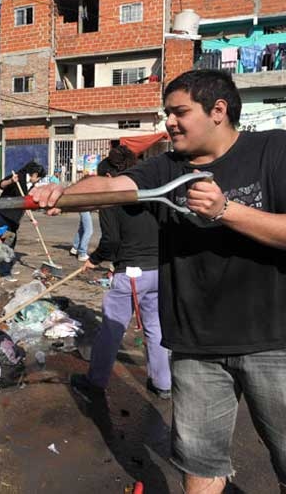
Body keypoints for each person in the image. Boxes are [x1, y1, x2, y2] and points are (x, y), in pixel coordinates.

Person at [30, 69, 286, 494]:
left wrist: (225, 210)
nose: (168, 122)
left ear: (218, 111)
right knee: (199, 463)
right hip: (197, 346)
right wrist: (65, 193)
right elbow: (116, 186)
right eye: (166, 113)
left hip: (281, 342)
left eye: (179, 112)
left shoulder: (276, 149)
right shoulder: (165, 168)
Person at [71, 146, 170, 400]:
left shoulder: (111, 199)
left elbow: (111, 241)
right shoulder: (149, 191)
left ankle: (96, 382)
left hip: (132, 274)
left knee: (112, 328)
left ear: (108, 177)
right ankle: (163, 384)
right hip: (157, 270)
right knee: (155, 326)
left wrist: (94, 260)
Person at [0, 161, 45, 282]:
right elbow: (1, 184)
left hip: (15, 217)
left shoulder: (31, 185)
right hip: (3, 214)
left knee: (12, 242)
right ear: (34, 174)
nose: (38, 181)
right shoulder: (18, 176)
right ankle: (4, 272)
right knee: (7, 242)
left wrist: (32, 219)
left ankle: (8, 266)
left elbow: (26, 203)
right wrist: (11, 181)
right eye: (38, 178)